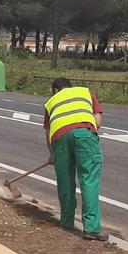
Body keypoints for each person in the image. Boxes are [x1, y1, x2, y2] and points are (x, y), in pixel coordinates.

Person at [43, 77, 108, 241]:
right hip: (84, 134)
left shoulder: (51, 102)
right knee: (89, 179)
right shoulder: (85, 92)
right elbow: (98, 121)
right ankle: (91, 228)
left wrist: (52, 154)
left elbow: (48, 132)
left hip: (59, 139)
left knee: (65, 181)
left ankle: (66, 221)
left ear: (56, 91)